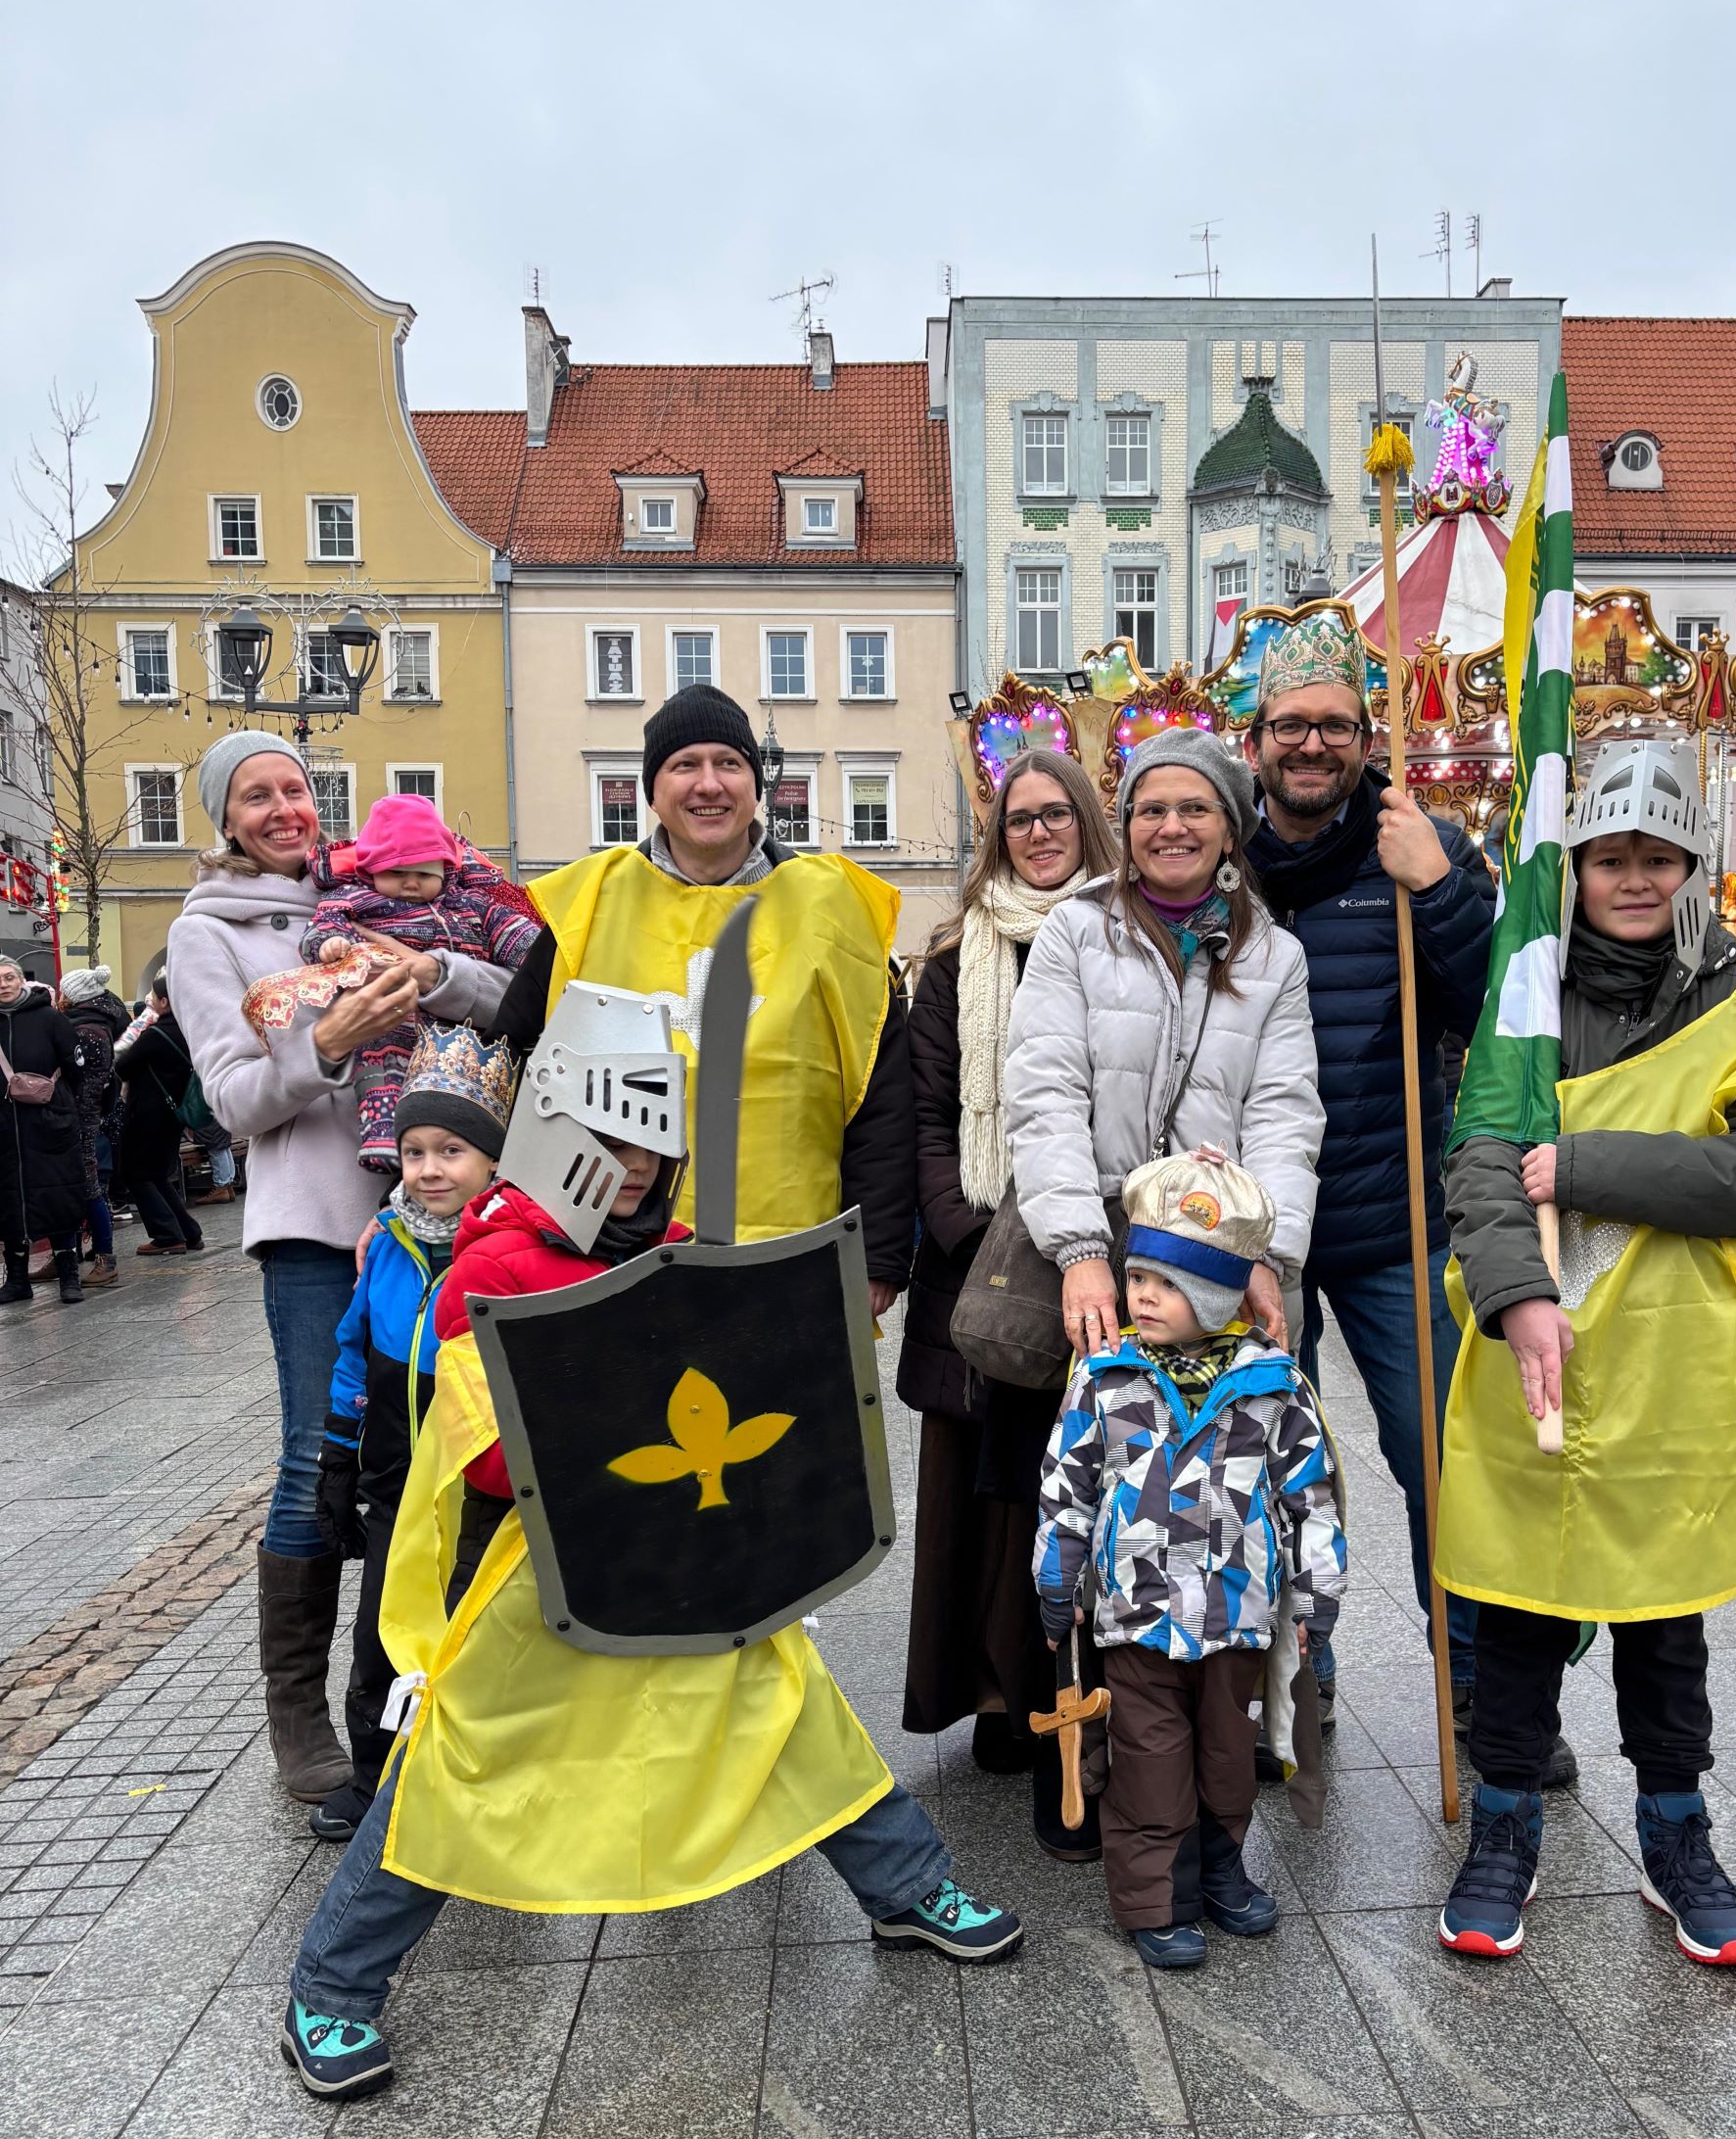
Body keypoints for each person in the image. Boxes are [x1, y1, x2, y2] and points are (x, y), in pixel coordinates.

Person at [280, 986, 1022, 2101]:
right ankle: (330, 1991)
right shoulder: (494, 1270)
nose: (628, 1166)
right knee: (458, 1769)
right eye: (603, 1141)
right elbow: (484, 1459)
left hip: (687, 1554)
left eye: (647, 1145)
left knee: (790, 1715)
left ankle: (906, 1891)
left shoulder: (681, 1254)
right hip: (546, 1577)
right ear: (552, 1137)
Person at [1435, 739, 1736, 1967]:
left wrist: (1591, 1161)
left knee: (1665, 1625)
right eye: (1606, 856)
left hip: (1678, 1372)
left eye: (1652, 859)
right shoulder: (1521, 1002)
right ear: (1574, 868)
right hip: (1537, 1357)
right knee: (1514, 1609)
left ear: (1688, 868)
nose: (1629, 878)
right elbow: (1479, 1160)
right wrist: (1514, 1294)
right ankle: (1503, 1829)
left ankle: (1676, 1831)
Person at [1236, 617, 1572, 1777]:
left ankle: (1478, 1680)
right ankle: (1292, 1668)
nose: (1311, 744)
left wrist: (1435, 894)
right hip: (1252, 1226)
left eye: (1332, 724)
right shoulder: (1218, 860)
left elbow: (1501, 1012)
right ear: (1255, 738)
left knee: (1441, 1459)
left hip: (1393, 1218)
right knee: (1268, 1461)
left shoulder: (1421, 847)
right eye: (1290, 725)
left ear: (1364, 735)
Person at [168, 731, 515, 1806]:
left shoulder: (385, 883)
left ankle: (435, 1690)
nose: (284, 809)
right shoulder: (203, 934)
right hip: (322, 1225)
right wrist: (325, 1048)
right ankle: (298, 1718)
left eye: (296, 790)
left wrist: (441, 973)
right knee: (318, 1450)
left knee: (458, 1443)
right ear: (225, 818)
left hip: (447, 1219)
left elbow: (516, 994)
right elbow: (231, 1102)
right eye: (257, 796)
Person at [491, 684, 915, 1301]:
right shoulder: (590, 907)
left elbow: (883, 1097)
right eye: (684, 764)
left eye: (729, 764)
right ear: (653, 792)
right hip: (608, 1250)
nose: (708, 784)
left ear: (754, 785)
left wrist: (877, 1255)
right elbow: (509, 1062)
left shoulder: (835, 912)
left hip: (795, 1247)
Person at [1034, 1150, 1345, 1967]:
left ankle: (1219, 1866)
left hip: (1235, 1616)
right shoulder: (1107, 1381)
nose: (1141, 1294)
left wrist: (1317, 1598)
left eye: (1167, 1283)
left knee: (1225, 1756)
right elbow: (1066, 1485)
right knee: (1149, 1762)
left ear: (1213, 1294)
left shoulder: (1274, 1386)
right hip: (1137, 1618)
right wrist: (1057, 1576)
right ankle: (1153, 1895)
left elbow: (1311, 1498)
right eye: (1138, 1274)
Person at [899, 746, 1120, 1841]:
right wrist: (967, 1231)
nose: (1037, 834)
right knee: (978, 1498)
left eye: (1055, 816)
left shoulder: (1126, 940)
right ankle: (988, 1692)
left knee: (1067, 1483)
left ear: (1086, 823)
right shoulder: (954, 960)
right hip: (977, 1255)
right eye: (1019, 820)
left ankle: (1062, 1696)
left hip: (1096, 1256)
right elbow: (927, 1112)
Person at [1006, 723, 1322, 1357]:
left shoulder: (1274, 956)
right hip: (1106, 1247)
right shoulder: (1076, 930)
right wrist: (1080, 1250)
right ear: (1126, 828)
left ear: (1230, 829)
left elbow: (1283, 1118)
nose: (1171, 826)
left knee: (1227, 1444)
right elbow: (1046, 1094)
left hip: (1223, 1252)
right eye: (1151, 810)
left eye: (1194, 808)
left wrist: (1266, 1252)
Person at [310, 1023, 515, 1843]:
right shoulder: (388, 1245)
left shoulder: (509, 1251)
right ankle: (375, 1774)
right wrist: (336, 1450)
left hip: (480, 1486)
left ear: (494, 1160)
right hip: (398, 1483)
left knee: (478, 1636)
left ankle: (480, 1773)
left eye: (453, 1151)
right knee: (381, 1632)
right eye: (416, 1150)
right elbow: (354, 1351)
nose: (430, 1169)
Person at [300, 795, 540, 1172]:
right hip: (394, 1010)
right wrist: (329, 944)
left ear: (444, 871)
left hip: (461, 1022)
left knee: (473, 1075)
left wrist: (536, 948)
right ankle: (385, 1131)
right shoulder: (355, 898)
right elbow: (323, 927)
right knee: (383, 1048)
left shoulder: (469, 903)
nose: (411, 883)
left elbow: (511, 930)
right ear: (370, 869)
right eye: (396, 872)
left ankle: (482, 1148)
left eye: (425, 874)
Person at [0, 956, 88, 1307]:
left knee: (58, 1199)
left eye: (9, 977)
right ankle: (17, 1279)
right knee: (9, 1204)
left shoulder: (51, 1019)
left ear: (22, 981)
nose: (3, 984)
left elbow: (76, 1068)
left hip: (48, 1125)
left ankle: (69, 1276)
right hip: (5, 1130)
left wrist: (60, 1109)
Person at [115, 974, 208, 1259]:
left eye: (154, 998)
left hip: (148, 1115)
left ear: (165, 1002)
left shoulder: (156, 1034)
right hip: (174, 1113)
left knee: (136, 1174)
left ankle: (167, 1235)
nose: (149, 1002)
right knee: (156, 1174)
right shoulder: (189, 1030)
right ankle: (189, 1231)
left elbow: (124, 1066)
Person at [57, 966, 127, 1288]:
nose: (59, 998)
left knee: (88, 1186)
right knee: (70, 1185)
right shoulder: (89, 1024)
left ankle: (105, 1258)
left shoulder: (89, 1030)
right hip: (79, 1115)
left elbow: (87, 1082)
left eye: (64, 993)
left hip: (81, 1118)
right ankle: (66, 1255)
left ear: (76, 996)